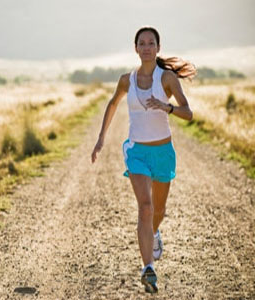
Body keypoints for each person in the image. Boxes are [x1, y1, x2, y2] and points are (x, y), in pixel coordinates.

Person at [91, 26, 196, 294]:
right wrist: (101, 138)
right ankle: (148, 268)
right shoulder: (127, 80)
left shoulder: (167, 78)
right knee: (145, 207)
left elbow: (188, 113)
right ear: (135, 48)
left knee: (158, 212)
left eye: (151, 43)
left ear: (158, 48)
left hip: (163, 152)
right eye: (142, 43)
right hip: (136, 151)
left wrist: (167, 107)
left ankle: (154, 234)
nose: (147, 47)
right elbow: (113, 104)